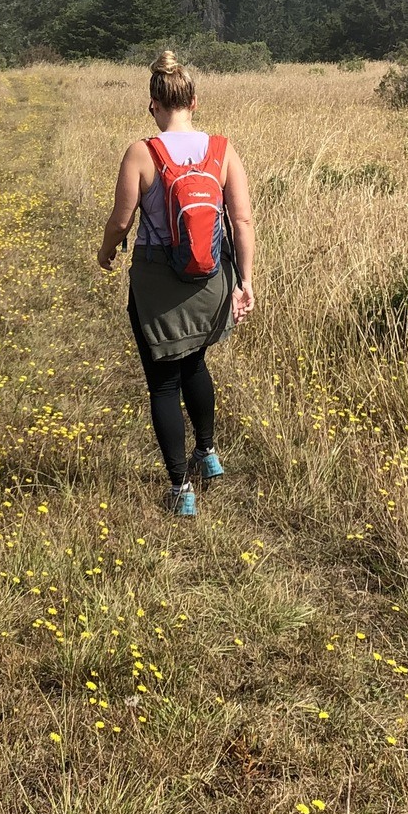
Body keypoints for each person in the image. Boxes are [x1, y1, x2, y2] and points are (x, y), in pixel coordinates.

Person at [96, 48, 256, 516]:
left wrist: (106, 254)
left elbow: (120, 222)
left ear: (153, 104)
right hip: (211, 279)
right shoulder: (223, 150)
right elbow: (242, 221)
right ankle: (207, 454)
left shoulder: (142, 152)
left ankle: (180, 488)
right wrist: (244, 281)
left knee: (164, 382)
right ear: (195, 101)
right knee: (196, 365)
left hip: (156, 283)